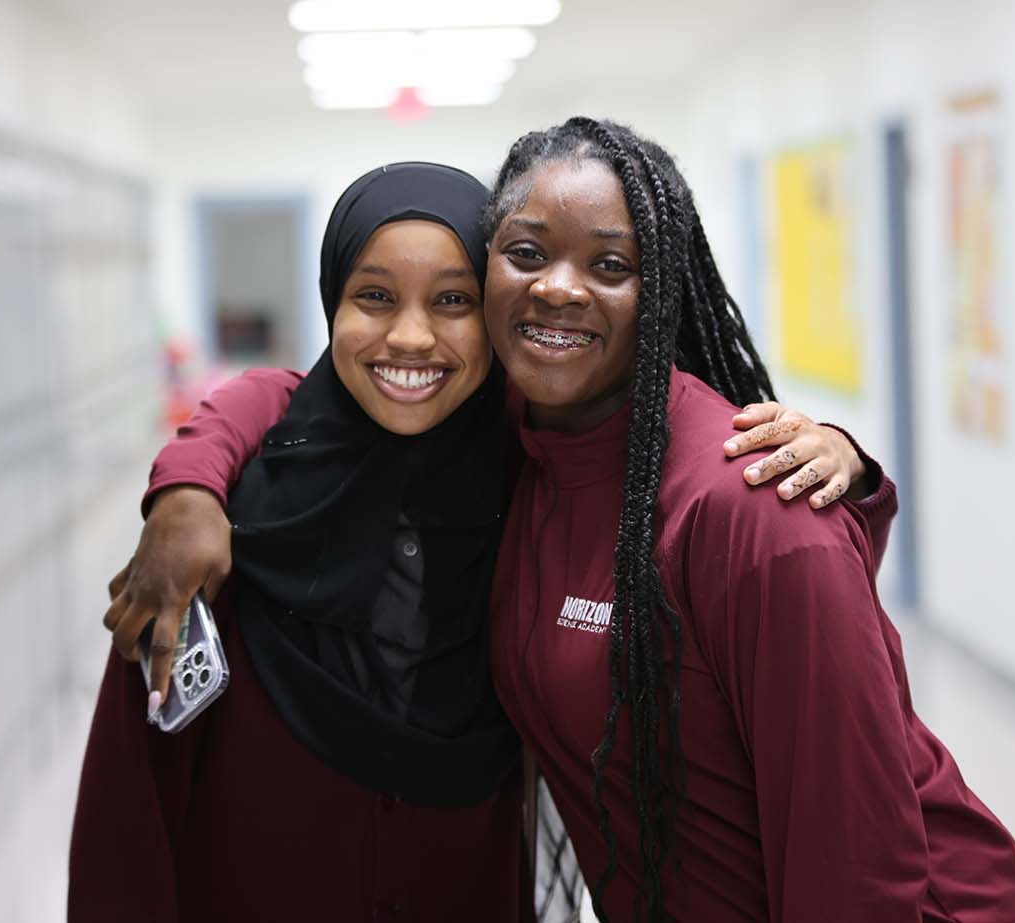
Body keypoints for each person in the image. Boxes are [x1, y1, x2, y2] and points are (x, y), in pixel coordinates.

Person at [71, 160, 879, 923]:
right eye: (374, 296)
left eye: (453, 301)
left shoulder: (523, 485)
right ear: (331, 303)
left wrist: (839, 449)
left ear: (494, 317)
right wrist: (185, 486)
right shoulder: (219, 535)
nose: (412, 338)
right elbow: (125, 826)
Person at [481, 118, 1015, 922]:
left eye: (611, 264)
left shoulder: (749, 504)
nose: (559, 288)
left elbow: (858, 867)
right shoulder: (519, 449)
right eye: (528, 253)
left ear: (662, 292)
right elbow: (308, 397)